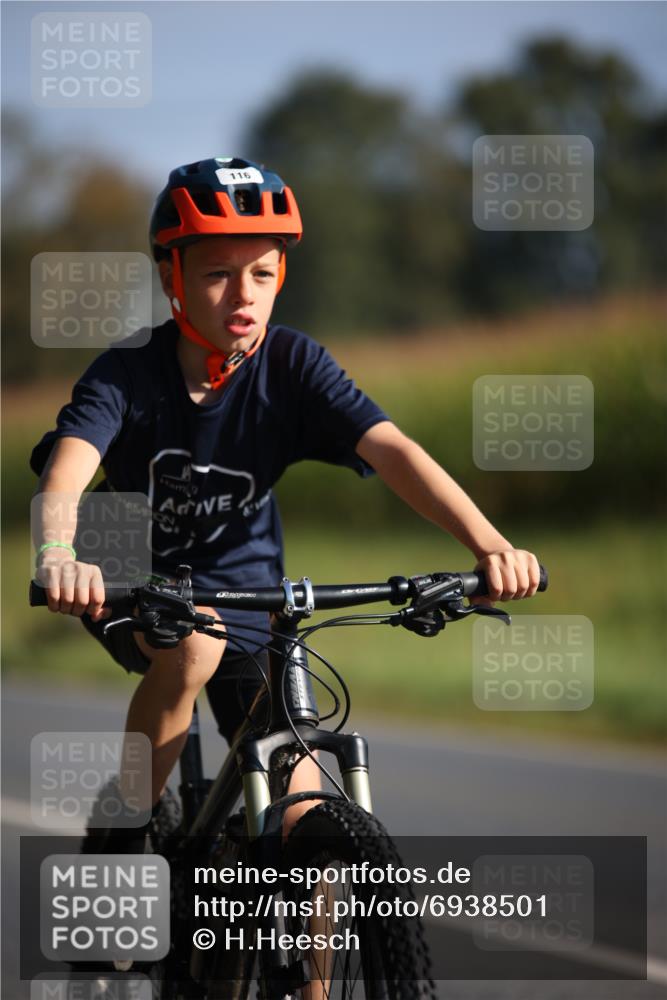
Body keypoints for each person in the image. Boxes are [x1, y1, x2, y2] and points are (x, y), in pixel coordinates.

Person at [31, 156, 541, 849]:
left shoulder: (293, 365)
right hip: (129, 570)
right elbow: (69, 467)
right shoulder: (127, 371)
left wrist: (489, 546)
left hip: (249, 586)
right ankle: (125, 831)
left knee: (301, 807)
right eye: (216, 273)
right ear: (170, 276)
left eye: (262, 274)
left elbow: (395, 451)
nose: (243, 295)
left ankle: (310, 957)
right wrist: (59, 553)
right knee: (192, 648)